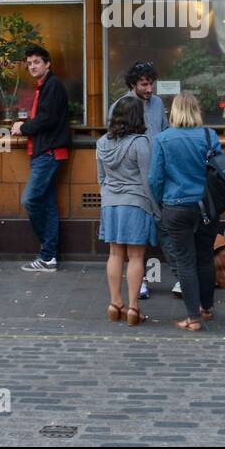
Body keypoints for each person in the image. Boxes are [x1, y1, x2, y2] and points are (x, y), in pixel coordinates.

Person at [148, 92, 222, 331]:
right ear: (197, 111)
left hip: (176, 206)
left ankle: (193, 317)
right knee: (205, 258)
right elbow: (219, 172)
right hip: (206, 207)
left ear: (175, 112)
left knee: (185, 262)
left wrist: (162, 201)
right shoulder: (209, 136)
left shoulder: (163, 139)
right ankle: (207, 308)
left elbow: (155, 178)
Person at [96, 95, 159, 325]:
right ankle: (133, 308)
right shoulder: (141, 143)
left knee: (114, 254)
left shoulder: (101, 142)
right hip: (136, 203)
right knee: (135, 256)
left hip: (110, 203)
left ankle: (115, 303)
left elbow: (101, 178)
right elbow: (148, 181)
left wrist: (109, 197)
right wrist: (156, 209)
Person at [12, 45, 71, 272]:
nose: (32, 66)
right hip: (45, 152)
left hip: (49, 153)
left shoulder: (52, 85)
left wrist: (23, 126)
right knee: (47, 205)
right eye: (29, 63)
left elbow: (46, 119)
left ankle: (47, 251)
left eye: (36, 61)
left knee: (30, 200)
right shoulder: (45, 86)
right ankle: (49, 258)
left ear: (47, 64)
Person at [108, 61, 169, 137]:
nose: (149, 90)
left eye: (151, 84)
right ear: (133, 84)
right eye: (144, 85)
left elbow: (165, 130)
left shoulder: (157, 102)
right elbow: (114, 137)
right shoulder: (118, 106)